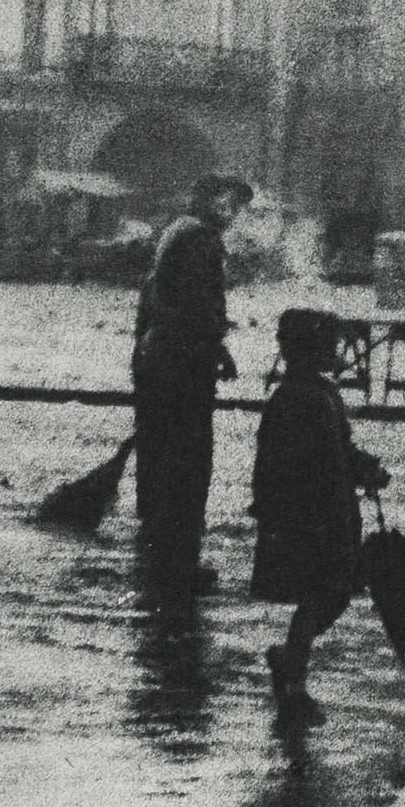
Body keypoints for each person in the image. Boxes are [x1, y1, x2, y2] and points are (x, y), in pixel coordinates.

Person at [253, 308, 391, 720]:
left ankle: (289, 659)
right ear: (311, 351)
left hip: (327, 513)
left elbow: (339, 451)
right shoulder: (301, 399)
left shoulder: (319, 395)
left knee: (330, 595)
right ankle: (293, 679)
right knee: (323, 595)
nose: (336, 354)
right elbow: (295, 463)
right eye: (329, 346)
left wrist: (364, 468)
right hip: (312, 516)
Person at [134, 173, 252, 599]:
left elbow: (162, 299)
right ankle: (178, 564)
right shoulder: (201, 240)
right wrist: (214, 346)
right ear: (211, 200)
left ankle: (161, 553)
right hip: (183, 362)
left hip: (158, 355)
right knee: (188, 462)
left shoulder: (176, 232)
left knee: (163, 456)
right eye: (231, 205)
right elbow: (203, 305)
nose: (235, 216)